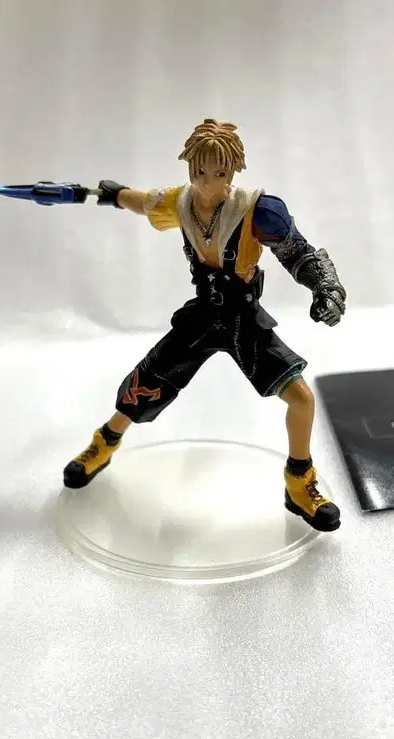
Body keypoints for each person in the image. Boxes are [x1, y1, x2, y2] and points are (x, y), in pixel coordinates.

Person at [63, 119, 347, 532]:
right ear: (189, 167)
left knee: (301, 398)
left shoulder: (257, 210)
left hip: (242, 318)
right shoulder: (181, 202)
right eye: (199, 171)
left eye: (219, 173)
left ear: (233, 171)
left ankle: (299, 482)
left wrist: (326, 288)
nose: (207, 181)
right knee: (144, 383)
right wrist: (107, 194)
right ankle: (104, 442)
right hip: (202, 316)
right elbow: (142, 201)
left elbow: (298, 254)